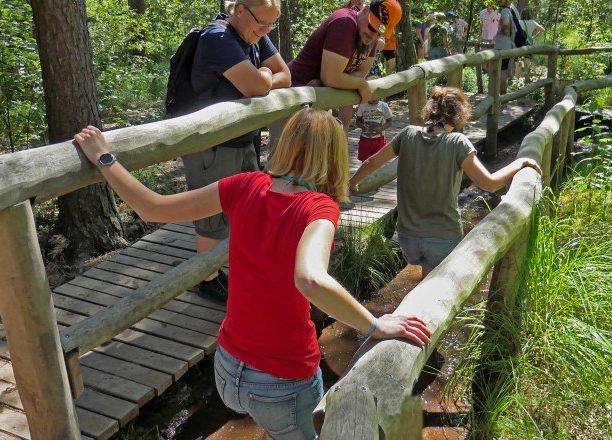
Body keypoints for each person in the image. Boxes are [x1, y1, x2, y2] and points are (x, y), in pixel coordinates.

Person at [73, 108, 432, 440]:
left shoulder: (246, 184)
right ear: (335, 155)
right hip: (282, 380)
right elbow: (310, 278)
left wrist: (105, 158)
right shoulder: (319, 208)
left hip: (228, 369)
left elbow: (150, 207)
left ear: (286, 143)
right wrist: (375, 325)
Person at [349, 87, 541, 278]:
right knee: (442, 287)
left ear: (430, 109)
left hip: (408, 239)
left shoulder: (407, 133)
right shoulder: (457, 142)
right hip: (442, 237)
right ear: (459, 114)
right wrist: (520, 162)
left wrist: (352, 183)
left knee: (427, 279)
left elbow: (372, 162)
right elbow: (489, 184)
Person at [181, 0, 291, 304]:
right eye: (261, 24)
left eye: (271, 25)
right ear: (239, 10)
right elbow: (258, 84)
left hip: (241, 140)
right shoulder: (216, 37)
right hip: (212, 146)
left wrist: (263, 78)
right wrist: (264, 78)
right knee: (212, 215)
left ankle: (225, 270)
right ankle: (208, 279)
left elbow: (285, 75)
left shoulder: (255, 29)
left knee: (246, 207)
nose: (265, 30)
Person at [287, 0, 402, 131]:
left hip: (316, 104)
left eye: (380, 33)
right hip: (291, 98)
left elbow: (358, 75)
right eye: (371, 27)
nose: (373, 36)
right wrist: (361, 84)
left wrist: (349, 81)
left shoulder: (370, 36)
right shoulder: (344, 22)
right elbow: (331, 78)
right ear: (365, 10)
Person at [355, 77, 393, 161]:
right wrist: (362, 126)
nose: (375, 98)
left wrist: (382, 128)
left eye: (377, 95)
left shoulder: (384, 106)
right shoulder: (363, 105)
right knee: (365, 161)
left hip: (379, 139)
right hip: (365, 139)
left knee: (379, 160)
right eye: (372, 95)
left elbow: (390, 121)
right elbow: (357, 121)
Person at [494, 0, 521, 95]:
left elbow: (505, 25)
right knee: (503, 72)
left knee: (500, 73)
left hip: (503, 46)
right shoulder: (514, 9)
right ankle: (503, 99)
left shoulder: (505, 11)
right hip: (511, 45)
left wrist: (498, 33)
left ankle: (502, 100)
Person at [515, 8, 545, 82]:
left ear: (521, 14)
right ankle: (526, 79)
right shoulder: (532, 22)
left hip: (519, 43)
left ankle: (516, 80)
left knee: (517, 62)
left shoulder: (519, 22)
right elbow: (542, 29)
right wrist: (533, 37)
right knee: (527, 61)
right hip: (529, 43)